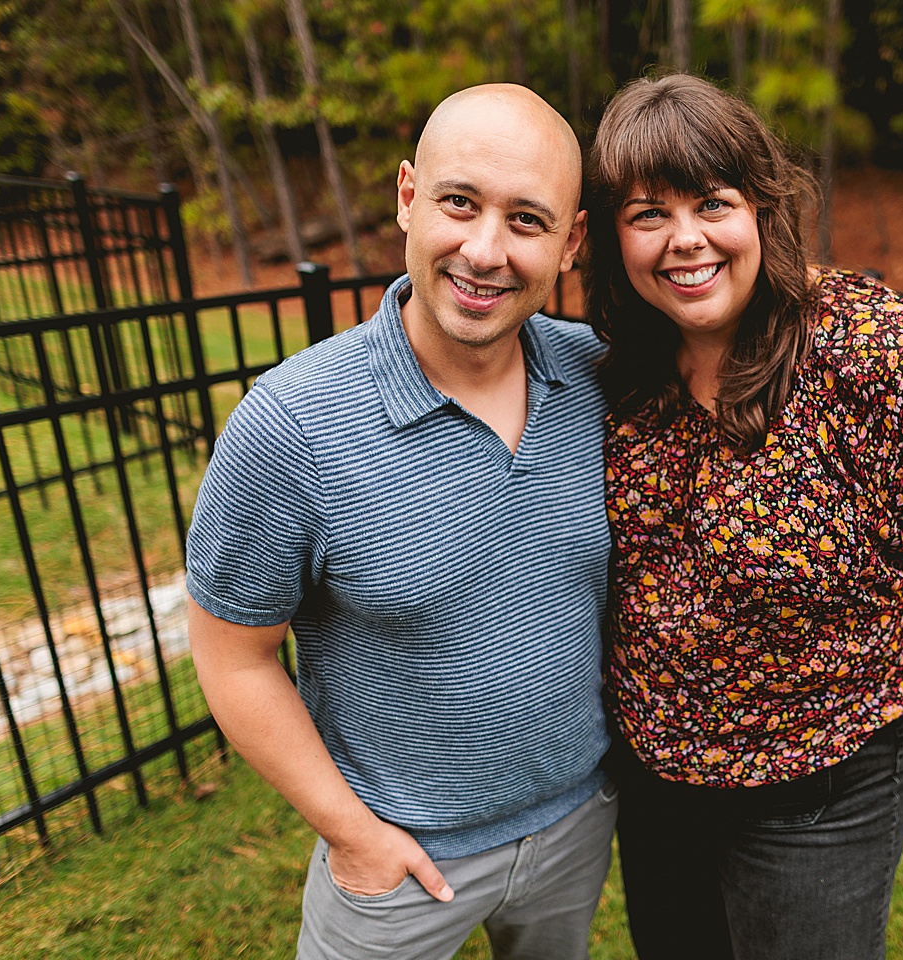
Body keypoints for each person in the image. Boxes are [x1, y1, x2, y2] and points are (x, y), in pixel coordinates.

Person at [581, 73, 903, 960]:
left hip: (818, 773)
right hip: (659, 772)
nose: (685, 240)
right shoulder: (623, 364)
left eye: (713, 202)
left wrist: (891, 597)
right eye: (647, 214)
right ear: (611, 237)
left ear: (761, 210)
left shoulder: (857, 344)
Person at [185, 84, 616, 960]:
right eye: (461, 203)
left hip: (579, 821)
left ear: (570, 242)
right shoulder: (291, 424)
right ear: (408, 197)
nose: (485, 250)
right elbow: (234, 658)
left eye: (527, 221)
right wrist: (353, 834)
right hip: (398, 860)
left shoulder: (603, 382)